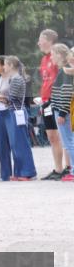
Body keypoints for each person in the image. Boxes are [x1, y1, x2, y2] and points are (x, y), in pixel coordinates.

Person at [0, 56, 37, 181]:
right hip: (10, 111)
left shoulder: (17, 79)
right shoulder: (13, 79)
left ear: (11, 66)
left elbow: (11, 99)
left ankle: (27, 172)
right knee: (14, 144)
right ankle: (18, 172)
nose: (4, 66)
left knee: (19, 143)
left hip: (15, 112)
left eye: (6, 64)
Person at [37, 29, 68, 180]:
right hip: (45, 101)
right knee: (51, 136)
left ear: (49, 41)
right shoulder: (44, 59)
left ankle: (68, 168)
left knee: (63, 135)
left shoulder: (57, 58)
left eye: (40, 39)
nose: (38, 43)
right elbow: (46, 80)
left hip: (56, 100)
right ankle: (58, 168)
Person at [49, 44, 74, 182]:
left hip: (63, 111)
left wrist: (62, 113)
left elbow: (66, 92)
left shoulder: (65, 71)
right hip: (62, 109)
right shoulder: (64, 70)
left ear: (59, 55)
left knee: (69, 142)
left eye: (53, 54)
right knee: (69, 142)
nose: (51, 57)